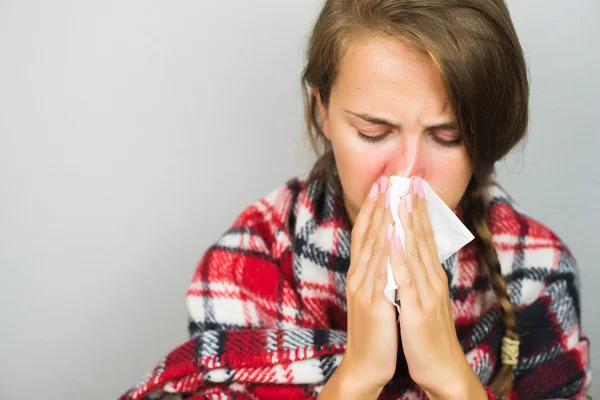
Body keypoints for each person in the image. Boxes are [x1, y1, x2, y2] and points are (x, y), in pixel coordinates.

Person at [120, 1, 591, 399]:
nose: (406, 173)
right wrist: (360, 373)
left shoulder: (538, 271)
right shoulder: (246, 269)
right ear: (323, 110)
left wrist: (449, 376)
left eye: (447, 137)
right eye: (374, 132)